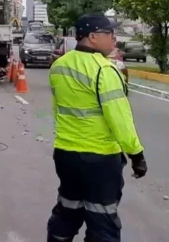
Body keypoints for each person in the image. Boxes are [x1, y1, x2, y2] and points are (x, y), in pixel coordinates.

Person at [47, 13, 146, 242]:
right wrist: (136, 154)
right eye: (109, 33)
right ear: (92, 36)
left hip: (65, 155)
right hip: (99, 159)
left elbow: (58, 110)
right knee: (102, 220)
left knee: (67, 211)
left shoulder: (59, 66)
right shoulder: (105, 70)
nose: (114, 39)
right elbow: (119, 118)